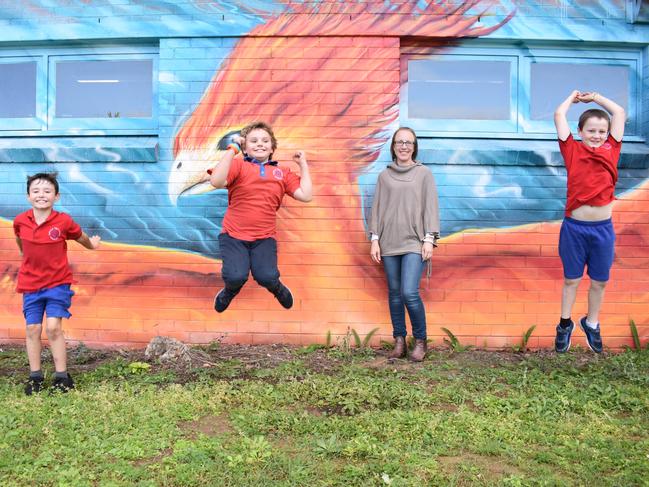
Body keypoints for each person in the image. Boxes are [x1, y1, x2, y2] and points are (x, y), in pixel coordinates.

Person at [204, 121, 312, 313]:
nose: (260, 144)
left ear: (272, 147)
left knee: (267, 277)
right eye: (253, 141)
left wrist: (302, 164)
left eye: (265, 140)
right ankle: (230, 291)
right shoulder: (239, 165)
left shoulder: (282, 173)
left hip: (264, 237)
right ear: (245, 147)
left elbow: (305, 195)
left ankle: (276, 288)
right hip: (234, 235)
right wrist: (232, 149)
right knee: (235, 277)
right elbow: (216, 181)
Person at [14, 172, 101, 395]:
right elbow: (20, 240)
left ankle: (62, 377)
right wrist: (26, 256)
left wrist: (91, 244)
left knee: (53, 327)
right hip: (30, 284)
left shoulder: (63, 221)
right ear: (28, 196)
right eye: (36, 191)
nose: (41, 195)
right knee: (32, 328)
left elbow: (80, 236)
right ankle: (35, 376)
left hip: (57, 283)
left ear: (56, 196)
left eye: (47, 191)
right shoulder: (21, 221)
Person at [553, 90, 625, 353]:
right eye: (591, 130)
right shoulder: (572, 149)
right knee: (571, 279)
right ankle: (564, 324)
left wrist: (596, 97)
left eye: (601, 132)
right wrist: (572, 98)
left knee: (599, 281)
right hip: (574, 228)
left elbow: (618, 113)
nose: (596, 135)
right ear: (580, 131)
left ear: (608, 134)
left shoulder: (612, 150)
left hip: (603, 229)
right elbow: (559, 114)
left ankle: (591, 323)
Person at [369, 127, 440, 362]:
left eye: (408, 142)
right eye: (399, 142)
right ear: (393, 146)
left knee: (409, 292)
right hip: (389, 243)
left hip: (414, 242)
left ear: (414, 146)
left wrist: (429, 238)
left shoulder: (424, 174)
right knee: (395, 295)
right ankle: (399, 340)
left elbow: (430, 206)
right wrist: (375, 239)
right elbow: (377, 208)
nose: (404, 146)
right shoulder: (384, 176)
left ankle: (420, 341)